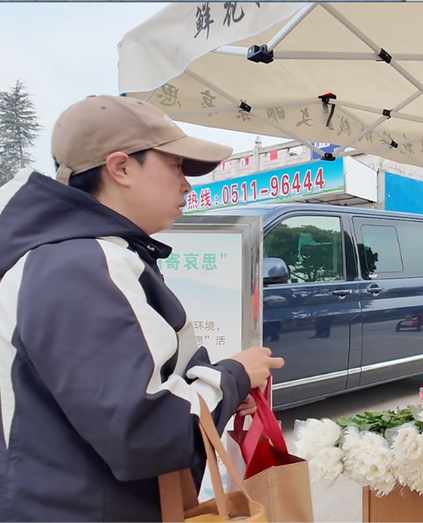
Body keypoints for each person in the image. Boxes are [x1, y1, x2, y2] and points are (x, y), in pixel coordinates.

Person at [0, 95, 285, 521]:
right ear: (121, 168)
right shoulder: (80, 265)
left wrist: (226, 389)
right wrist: (234, 376)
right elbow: (145, 430)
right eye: (176, 166)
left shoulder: (77, 255)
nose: (187, 184)